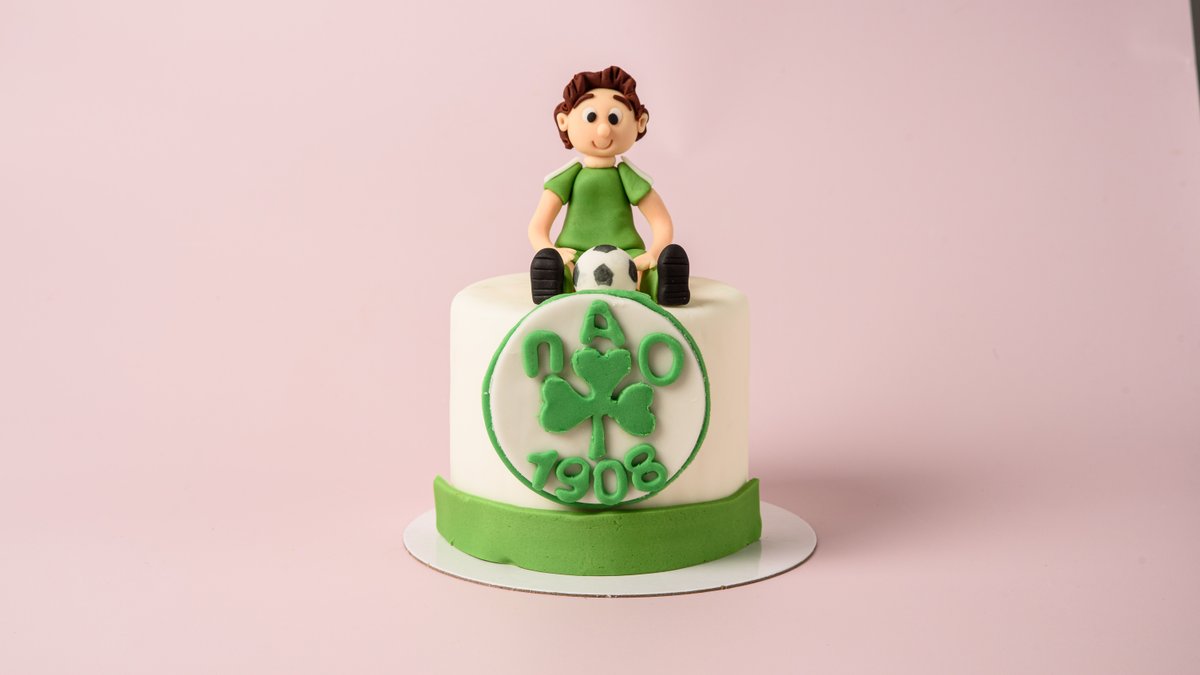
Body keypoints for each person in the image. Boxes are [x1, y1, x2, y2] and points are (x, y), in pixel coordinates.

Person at [528, 66, 690, 306]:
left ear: (640, 123)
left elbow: (661, 222)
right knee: (565, 272)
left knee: (645, 273)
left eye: (614, 118)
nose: (604, 129)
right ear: (563, 121)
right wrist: (550, 251)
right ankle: (551, 280)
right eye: (591, 117)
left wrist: (654, 253)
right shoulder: (568, 177)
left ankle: (664, 282)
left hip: (627, 254)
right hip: (574, 253)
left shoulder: (627, 176)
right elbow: (537, 227)